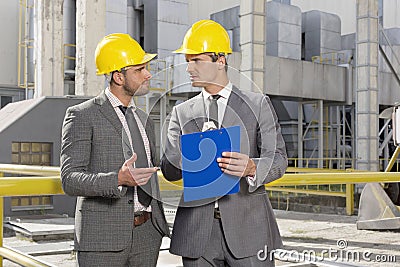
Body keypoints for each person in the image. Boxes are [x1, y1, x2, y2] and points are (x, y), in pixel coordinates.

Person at [161, 20, 288, 266]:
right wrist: (182, 153)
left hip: (248, 230)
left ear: (220, 61)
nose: (189, 68)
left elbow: (279, 159)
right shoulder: (182, 112)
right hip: (198, 234)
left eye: (196, 60)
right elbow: (169, 171)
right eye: (187, 60)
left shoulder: (257, 104)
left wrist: (252, 167)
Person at [61, 33, 169, 267]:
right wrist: (118, 179)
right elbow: (69, 179)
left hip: (147, 235)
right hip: (102, 240)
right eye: (140, 69)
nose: (148, 74)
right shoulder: (82, 115)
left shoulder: (144, 120)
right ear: (119, 77)